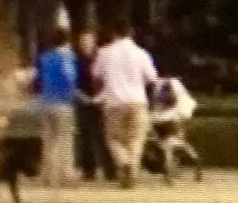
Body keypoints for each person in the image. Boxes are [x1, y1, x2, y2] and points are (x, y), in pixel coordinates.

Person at [94, 15, 157, 189]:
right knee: (136, 139)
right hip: (137, 101)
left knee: (113, 138)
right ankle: (132, 171)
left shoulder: (105, 53)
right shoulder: (141, 53)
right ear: (131, 33)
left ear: (114, 33)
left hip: (114, 102)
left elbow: (97, 76)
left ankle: (123, 162)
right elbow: (152, 78)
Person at [34, 27, 79, 188]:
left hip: (45, 102)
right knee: (64, 140)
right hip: (63, 103)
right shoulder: (68, 57)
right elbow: (70, 78)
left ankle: (47, 175)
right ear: (66, 41)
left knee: (48, 140)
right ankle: (65, 175)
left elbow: (38, 80)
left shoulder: (44, 57)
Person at [74, 29, 116, 182]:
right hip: (83, 101)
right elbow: (74, 82)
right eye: (82, 42)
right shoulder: (77, 60)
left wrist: (101, 97)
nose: (85, 44)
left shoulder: (101, 57)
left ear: (94, 42)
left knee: (103, 136)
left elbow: (106, 78)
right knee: (86, 137)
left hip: (101, 101)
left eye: (88, 41)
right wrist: (82, 97)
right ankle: (88, 171)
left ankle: (110, 171)